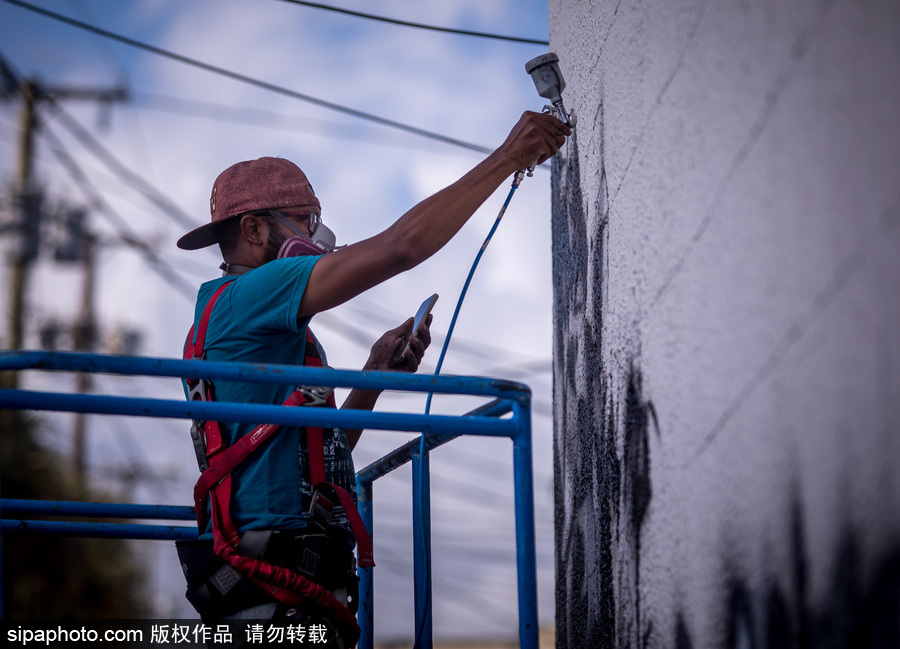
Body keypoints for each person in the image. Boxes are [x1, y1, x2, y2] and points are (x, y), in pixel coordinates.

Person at [175, 110, 569, 646]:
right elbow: (400, 246)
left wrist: (373, 375)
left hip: (289, 587)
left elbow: (322, 455)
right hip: (274, 596)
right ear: (255, 229)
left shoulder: (259, 327)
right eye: (307, 220)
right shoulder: (257, 292)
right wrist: (508, 158)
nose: (322, 236)